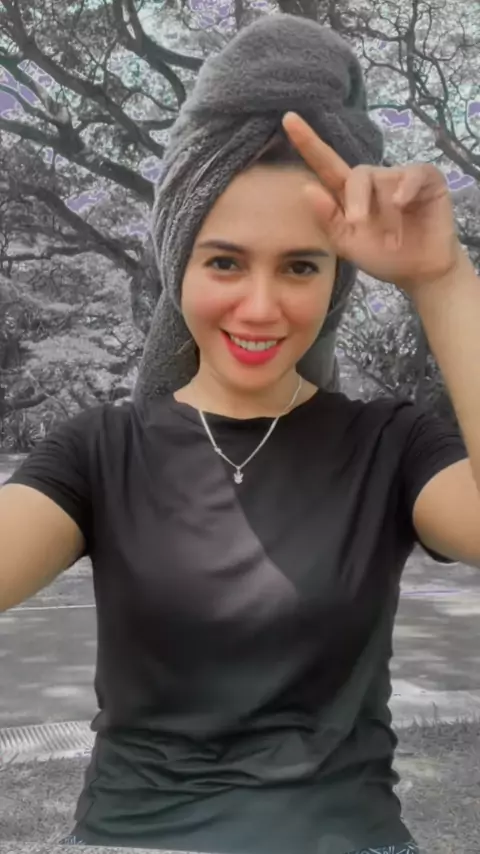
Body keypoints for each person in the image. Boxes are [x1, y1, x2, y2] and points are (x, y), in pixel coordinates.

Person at [1, 13, 480, 854]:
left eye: (300, 266)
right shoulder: (99, 453)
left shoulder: (390, 446)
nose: (261, 308)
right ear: (178, 264)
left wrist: (442, 279)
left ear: (336, 280)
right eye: (224, 261)